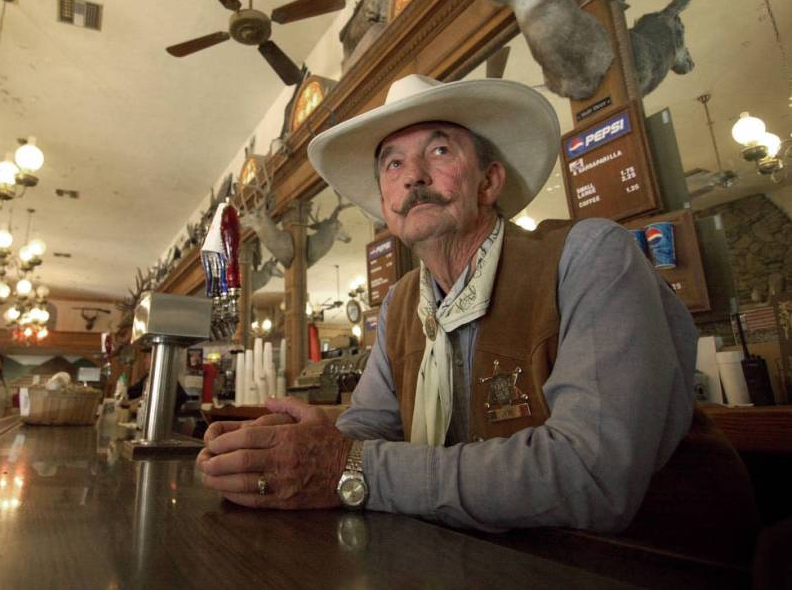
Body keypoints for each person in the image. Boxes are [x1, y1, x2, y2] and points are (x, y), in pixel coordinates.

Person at [197, 75, 758, 563]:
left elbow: (591, 478)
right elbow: (369, 427)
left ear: (490, 183)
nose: (412, 175)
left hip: (653, 560)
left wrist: (352, 469)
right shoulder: (400, 303)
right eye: (393, 163)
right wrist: (277, 448)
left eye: (439, 152)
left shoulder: (591, 254)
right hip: (492, 560)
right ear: (388, 206)